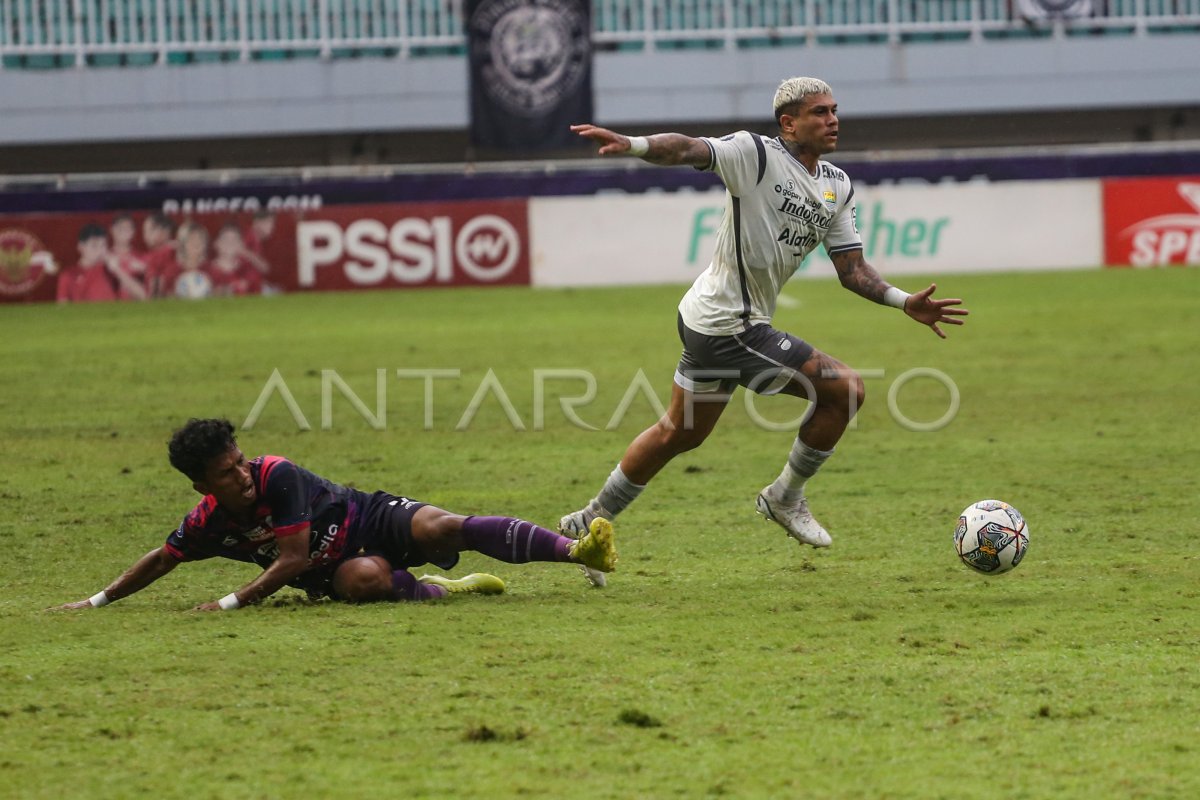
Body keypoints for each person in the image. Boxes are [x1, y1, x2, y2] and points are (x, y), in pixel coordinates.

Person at [561, 76, 967, 585]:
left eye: (834, 110)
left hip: (712, 319)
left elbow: (852, 271)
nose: (832, 119)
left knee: (678, 433)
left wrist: (904, 301)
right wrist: (634, 145)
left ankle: (585, 523)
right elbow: (688, 148)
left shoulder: (837, 185)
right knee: (845, 389)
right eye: (819, 112)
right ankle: (784, 496)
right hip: (729, 324)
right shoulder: (754, 155)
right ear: (789, 123)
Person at [53, 418, 617, 612]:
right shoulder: (209, 522)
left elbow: (292, 554)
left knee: (443, 525)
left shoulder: (277, 474)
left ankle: (576, 550)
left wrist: (229, 602)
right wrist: (98, 599)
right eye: (227, 475)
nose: (242, 475)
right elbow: (163, 558)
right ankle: (443, 590)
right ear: (204, 486)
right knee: (364, 580)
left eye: (240, 462)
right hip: (335, 568)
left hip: (367, 517)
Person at [57, 223, 118, 303]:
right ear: (81, 247)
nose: (100, 251)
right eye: (94, 246)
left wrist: (118, 270)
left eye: (103, 245)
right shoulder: (68, 275)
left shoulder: (111, 270)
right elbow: (62, 307)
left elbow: (137, 295)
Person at [208, 222, 263, 297]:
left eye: (235, 239)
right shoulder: (206, 271)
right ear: (216, 243)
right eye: (225, 239)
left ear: (241, 245)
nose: (230, 243)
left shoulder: (249, 272)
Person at [141, 213, 179, 299]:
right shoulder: (150, 255)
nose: (144, 235)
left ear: (164, 231)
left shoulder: (166, 252)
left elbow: (154, 290)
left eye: (148, 231)